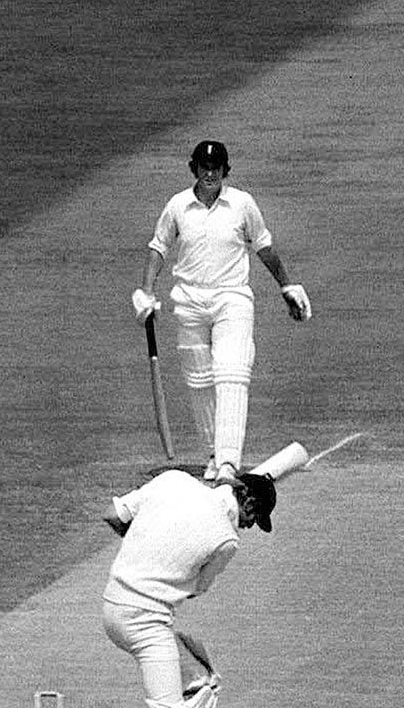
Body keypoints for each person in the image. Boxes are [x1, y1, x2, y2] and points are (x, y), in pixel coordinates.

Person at [97, 467, 279, 708]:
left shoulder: (173, 480)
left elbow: (114, 515)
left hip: (112, 606)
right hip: (145, 621)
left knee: (203, 684)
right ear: (245, 502)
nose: (248, 526)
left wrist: (147, 544)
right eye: (253, 517)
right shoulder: (226, 541)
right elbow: (195, 589)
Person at [131, 141, 312, 482]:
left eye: (216, 168)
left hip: (232, 298)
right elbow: (159, 248)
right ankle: (215, 455)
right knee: (199, 381)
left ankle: (229, 462)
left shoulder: (242, 204)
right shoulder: (178, 206)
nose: (210, 173)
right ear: (195, 169)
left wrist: (286, 286)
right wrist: (147, 291)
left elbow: (264, 247)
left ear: (225, 170)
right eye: (204, 167)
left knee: (232, 373)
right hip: (189, 302)